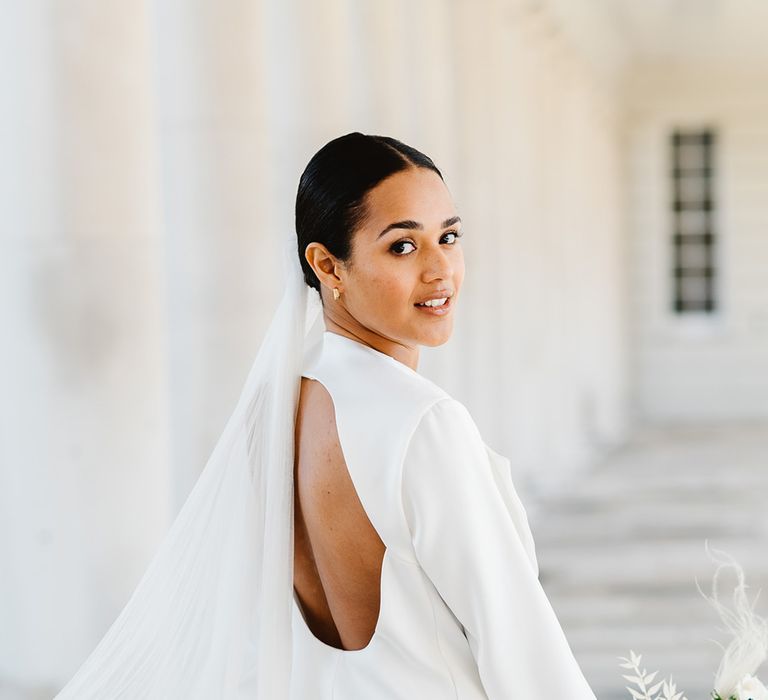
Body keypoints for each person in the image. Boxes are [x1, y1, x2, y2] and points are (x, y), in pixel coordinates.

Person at [54, 132, 596, 699]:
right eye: (403, 247)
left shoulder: (276, 410)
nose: (441, 270)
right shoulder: (424, 423)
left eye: (449, 237)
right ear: (328, 266)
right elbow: (523, 649)